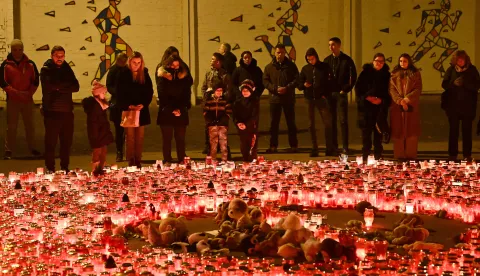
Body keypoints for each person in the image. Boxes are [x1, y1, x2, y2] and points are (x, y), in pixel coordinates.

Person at [40, 45, 80, 172]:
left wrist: (60, 87)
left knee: (66, 143)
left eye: (62, 56)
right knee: (51, 143)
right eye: (57, 56)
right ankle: (50, 168)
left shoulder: (67, 68)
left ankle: (64, 167)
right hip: (52, 111)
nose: (60, 58)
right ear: (52, 56)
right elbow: (49, 86)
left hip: (67, 111)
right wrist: (64, 86)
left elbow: (76, 86)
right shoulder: (46, 69)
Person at [0, 39, 41, 160]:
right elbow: (3, 82)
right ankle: (9, 150)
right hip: (13, 101)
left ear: (23, 49)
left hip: (27, 100)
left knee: (30, 125)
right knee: (11, 126)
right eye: (15, 50)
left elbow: (35, 80)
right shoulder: (5, 65)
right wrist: (17, 93)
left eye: (19, 49)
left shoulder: (31, 64)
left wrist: (28, 93)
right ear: (11, 50)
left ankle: (32, 148)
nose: (17, 52)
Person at [116, 51, 154, 168]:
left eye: (138, 62)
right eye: (134, 62)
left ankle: (138, 159)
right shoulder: (123, 74)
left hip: (141, 110)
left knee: (140, 136)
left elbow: (149, 91)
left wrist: (144, 104)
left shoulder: (144, 74)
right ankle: (131, 159)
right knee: (130, 136)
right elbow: (120, 92)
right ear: (129, 62)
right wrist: (129, 105)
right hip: (129, 110)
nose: (136, 65)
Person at [442, 50, 480, 161]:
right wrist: (453, 84)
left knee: (467, 131)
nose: (460, 61)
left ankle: (467, 154)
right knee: (453, 130)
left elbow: (477, 85)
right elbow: (444, 84)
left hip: (468, 106)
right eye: (458, 59)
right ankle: (452, 154)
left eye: (462, 59)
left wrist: (465, 84)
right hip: (453, 106)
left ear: (466, 59)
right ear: (455, 60)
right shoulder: (451, 70)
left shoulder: (472, 70)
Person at [298, 47, 335, 157]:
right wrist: (304, 85)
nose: (310, 61)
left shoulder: (324, 67)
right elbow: (299, 83)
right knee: (311, 124)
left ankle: (329, 148)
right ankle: (314, 148)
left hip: (321, 99)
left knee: (327, 123)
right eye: (308, 59)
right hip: (309, 99)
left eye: (312, 59)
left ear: (316, 57)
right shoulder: (305, 69)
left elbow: (330, 82)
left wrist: (326, 94)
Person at [323, 37, 357, 155]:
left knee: (343, 121)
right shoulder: (327, 61)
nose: (331, 47)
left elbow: (353, 77)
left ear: (338, 45)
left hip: (341, 94)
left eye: (333, 45)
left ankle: (345, 146)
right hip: (330, 95)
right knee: (331, 121)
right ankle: (334, 146)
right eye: (329, 45)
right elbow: (323, 77)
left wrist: (346, 89)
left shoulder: (347, 60)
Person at [263, 44, 299, 153]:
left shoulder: (291, 66)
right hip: (275, 99)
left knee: (291, 123)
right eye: (278, 52)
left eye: (282, 52)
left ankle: (294, 145)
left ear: (285, 53)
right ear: (274, 53)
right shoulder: (269, 67)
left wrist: (287, 88)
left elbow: (297, 79)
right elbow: (265, 81)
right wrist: (274, 88)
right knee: (274, 123)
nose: (280, 55)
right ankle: (273, 146)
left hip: (288, 98)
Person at [156, 55, 192, 163]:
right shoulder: (163, 77)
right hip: (166, 111)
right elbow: (162, 94)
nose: (175, 67)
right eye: (173, 65)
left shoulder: (184, 76)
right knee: (167, 138)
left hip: (180, 111)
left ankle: (181, 159)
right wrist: (171, 108)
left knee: (180, 138)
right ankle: (167, 159)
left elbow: (186, 93)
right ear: (168, 65)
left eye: (177, 65)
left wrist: (180, 108)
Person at [355, 53, 391, 161]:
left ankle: (378, 155)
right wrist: (368, 98)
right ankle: (365, 154)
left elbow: (389, 92)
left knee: (378, 133)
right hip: (366, 108)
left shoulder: (387, 75)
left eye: (381, 61)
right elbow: (358, 89)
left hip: (380, 108)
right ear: (373, 61)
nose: (379, 63)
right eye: (377, 61)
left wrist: (382, 100)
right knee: (366, 133)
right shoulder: (365, 73)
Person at [389, 53, 422, 161]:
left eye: (405, 61)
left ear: (409, 62)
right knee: (398, 129)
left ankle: (411, 154)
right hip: (397, 106)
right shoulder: (394, 74)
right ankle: (399, 154)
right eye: (401, 61)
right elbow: (392, 89)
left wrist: (407, 99)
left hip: (411, 105)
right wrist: (399, 100)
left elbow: (418, 89)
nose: (402, 63)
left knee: (411, 130)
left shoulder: (415, 74)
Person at [201, 53, 231, 155]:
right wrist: (206, 97)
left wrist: (221, 96)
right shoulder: (208, 73)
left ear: (218, 62)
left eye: (213, 59)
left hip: (220, 105)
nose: (211, 61)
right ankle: (208, 146)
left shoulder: (225, 75)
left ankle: (223, 147)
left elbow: (228, 90)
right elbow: (204, 87)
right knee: (209, 125)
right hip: (210, 104)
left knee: (221, 126)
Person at [82, 80, 113, 172]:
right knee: (97, 153)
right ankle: (96, 170)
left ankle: (101, 169)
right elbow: (93, 123)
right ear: (98, 94)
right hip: (98, 134)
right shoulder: (94, 107)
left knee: (103, 152)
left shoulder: (101, 105)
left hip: (103, 133)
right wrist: (95, 136)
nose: (105, 94)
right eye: (103, 92)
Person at [106, 52, 128, 162]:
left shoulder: (125, 70)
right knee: (119, 131)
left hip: (123, 103)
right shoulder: (114, 70)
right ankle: (119, 152)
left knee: (124, 131)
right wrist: (118, 93)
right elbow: (109, 86)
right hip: (118, 104)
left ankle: (126, 152)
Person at [203, 84, 232, 162]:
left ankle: (224, 159)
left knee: (223, 143)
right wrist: (210, 121)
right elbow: (206, 112)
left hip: (222, 125)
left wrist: (222, 121)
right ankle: (213, 159)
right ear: (214, 91)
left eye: (221, 91)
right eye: (217, 90)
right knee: (213, 143)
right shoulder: (209, 101)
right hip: (212, 125)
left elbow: (228, 112)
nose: (219, 92)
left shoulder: (225, 100)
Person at [233, 80, 259, 162]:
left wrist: (247, 124)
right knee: (243, 143)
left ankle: (252, 159)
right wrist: (238, 123)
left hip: (251, 126)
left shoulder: (254, 101)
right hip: (241, 126)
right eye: (243, 91)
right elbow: (234, 115)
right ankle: (245, 158)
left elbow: (255, 115)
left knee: (252, 143)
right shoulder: (237, 102)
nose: (245, 92)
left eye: (247, 91)